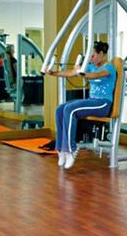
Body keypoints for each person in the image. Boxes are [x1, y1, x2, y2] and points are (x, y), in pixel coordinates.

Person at [48, 41, 116, 170]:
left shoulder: (109, 68)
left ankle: (71, 149)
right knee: (60, 109)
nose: (90, 59)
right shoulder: (91, 66)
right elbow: (71, 73)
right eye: (89, 56)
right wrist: (53, 73)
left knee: (70, 109)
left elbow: (96, 75)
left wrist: (82, 73)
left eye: (93, 56)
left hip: (103, 104)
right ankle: (61, 149)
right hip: (92, 101)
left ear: (101, 54)